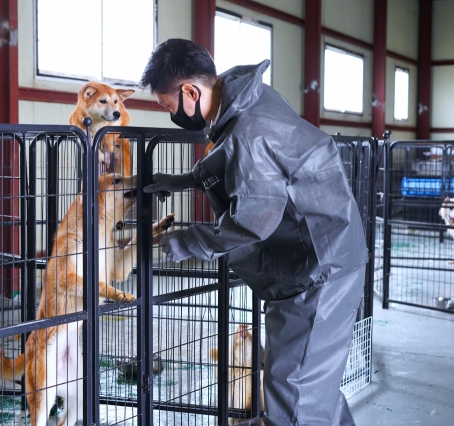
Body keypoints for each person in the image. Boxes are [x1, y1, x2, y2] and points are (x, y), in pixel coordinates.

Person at [140, 38, 368, 426]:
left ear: (191, 91)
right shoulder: (247, 99)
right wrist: (182, 180)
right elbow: (253, 168)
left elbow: (253, 220)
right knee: (313, 389)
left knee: (292, 393)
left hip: (318, 269)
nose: (171, 114)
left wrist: (188, 240)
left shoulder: (249, 127)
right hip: (321, 253)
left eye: (168, 105)